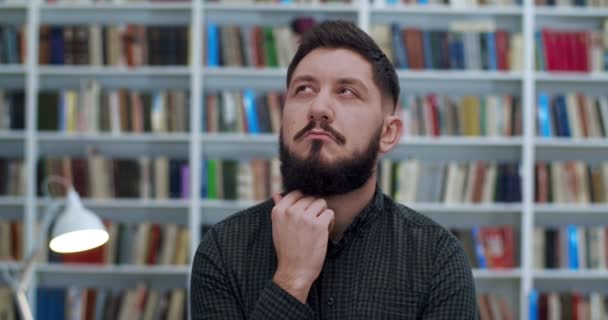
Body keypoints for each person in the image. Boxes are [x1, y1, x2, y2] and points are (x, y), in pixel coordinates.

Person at [190, 20, 477, 319]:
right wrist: (291, 280)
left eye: (347, 92)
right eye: (304, 89)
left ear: (387, 133)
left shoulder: (437, 259)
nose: (318, 107)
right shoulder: (224, 250)